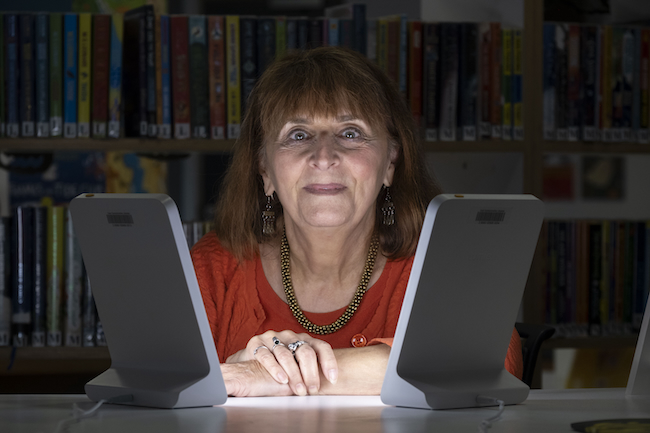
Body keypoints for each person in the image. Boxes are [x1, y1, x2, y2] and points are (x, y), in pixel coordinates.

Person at [191, 46, 523, 397]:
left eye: (350, 133)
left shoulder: (438, 262)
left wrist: (269, 374)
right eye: (298, 135)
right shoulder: (217, 267)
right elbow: (157, 380)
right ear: (264, 168)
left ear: (391, 162)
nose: (324, 157)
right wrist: (238, 367)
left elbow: (490, 360)